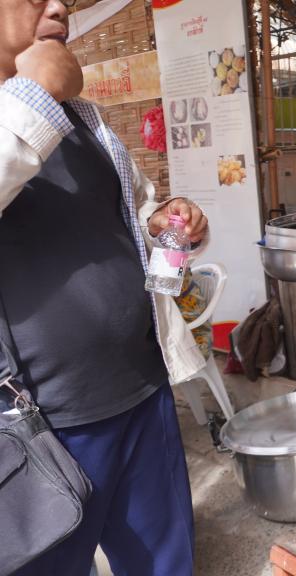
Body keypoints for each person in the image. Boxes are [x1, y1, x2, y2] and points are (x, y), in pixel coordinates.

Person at [0, 1, 208, 574]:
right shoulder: (36, 108)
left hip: (143, 391)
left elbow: (128, 215)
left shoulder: (83, 120)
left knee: (165, 564)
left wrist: (166, 222)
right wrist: (34, 95)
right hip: (38, 428)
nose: (60, 6)